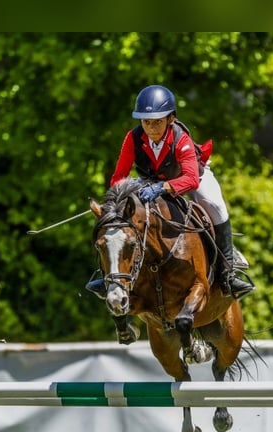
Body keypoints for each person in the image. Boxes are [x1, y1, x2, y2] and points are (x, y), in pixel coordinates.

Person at [86, 84, 254, 300]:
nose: (151, 127)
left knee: (215, 205)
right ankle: (108, 276)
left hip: (190, 177)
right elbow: (118, 177)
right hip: (150, 181)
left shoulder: (180, 138)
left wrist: (161, 187)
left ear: (171, 119)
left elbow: (191, 179)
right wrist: (122, 197)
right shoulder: (133, 138)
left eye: (157, 122)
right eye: (146, 122)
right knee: (116, 221)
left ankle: (228, 270)